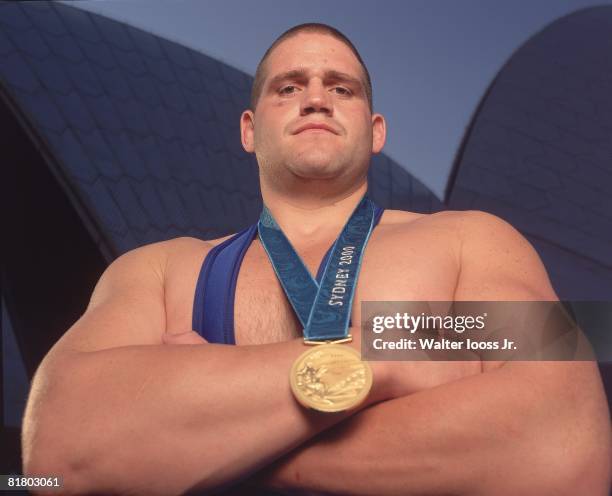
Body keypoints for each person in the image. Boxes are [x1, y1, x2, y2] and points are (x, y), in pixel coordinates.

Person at [22, 23, 610, 495]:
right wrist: (380, 355)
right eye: (288, 86)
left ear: (375, 130)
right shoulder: (158, 270)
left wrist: (205, 447)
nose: (315, 99)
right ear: (249, 130)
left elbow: (566, 445)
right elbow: (55, 453)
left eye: (341, 87)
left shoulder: (473, 241)